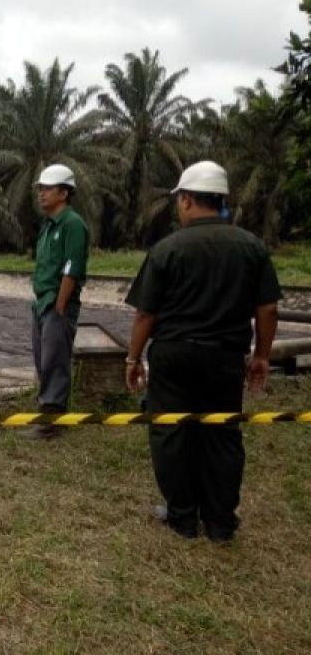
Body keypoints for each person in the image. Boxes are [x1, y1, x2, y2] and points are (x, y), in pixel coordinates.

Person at [124, 161, 280, 542]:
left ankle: (181, 518)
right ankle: (221, 522)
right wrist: (261, 355)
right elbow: (269, 309)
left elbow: (147, 312)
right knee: (222, 435)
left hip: (174, 356)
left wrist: (132, 358)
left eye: (180, 200)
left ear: (189, 199)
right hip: (225, 358)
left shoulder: (167, 249)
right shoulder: (251, 247)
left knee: (171, 432)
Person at [26, 163, 90, 439]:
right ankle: (47, 414)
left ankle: (52, 422)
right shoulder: (47, 226)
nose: (42, 194)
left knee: (55, 361)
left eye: (48, 189)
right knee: (43, 360)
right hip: (42, 301)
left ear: (64, 193)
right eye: (40, 188)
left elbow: (71, 267)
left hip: (57, 302)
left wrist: (61, 306)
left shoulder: (73, 225)